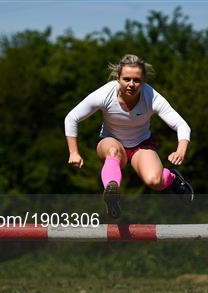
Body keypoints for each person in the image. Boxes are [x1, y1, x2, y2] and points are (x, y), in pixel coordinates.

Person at [64, 54, 193, 218]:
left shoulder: (152, 97)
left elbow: (181, 125)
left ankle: (172, 178)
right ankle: (112, 193)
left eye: (137, 80)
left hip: (141, 144)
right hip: (111, 141)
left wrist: (180, 151)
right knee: (113, 151)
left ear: (144, 80)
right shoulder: (105, 93)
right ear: (118, 78)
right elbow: (72, 117)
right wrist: (73, 152)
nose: (131, 84)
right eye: (126, 79)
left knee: (154, 180)